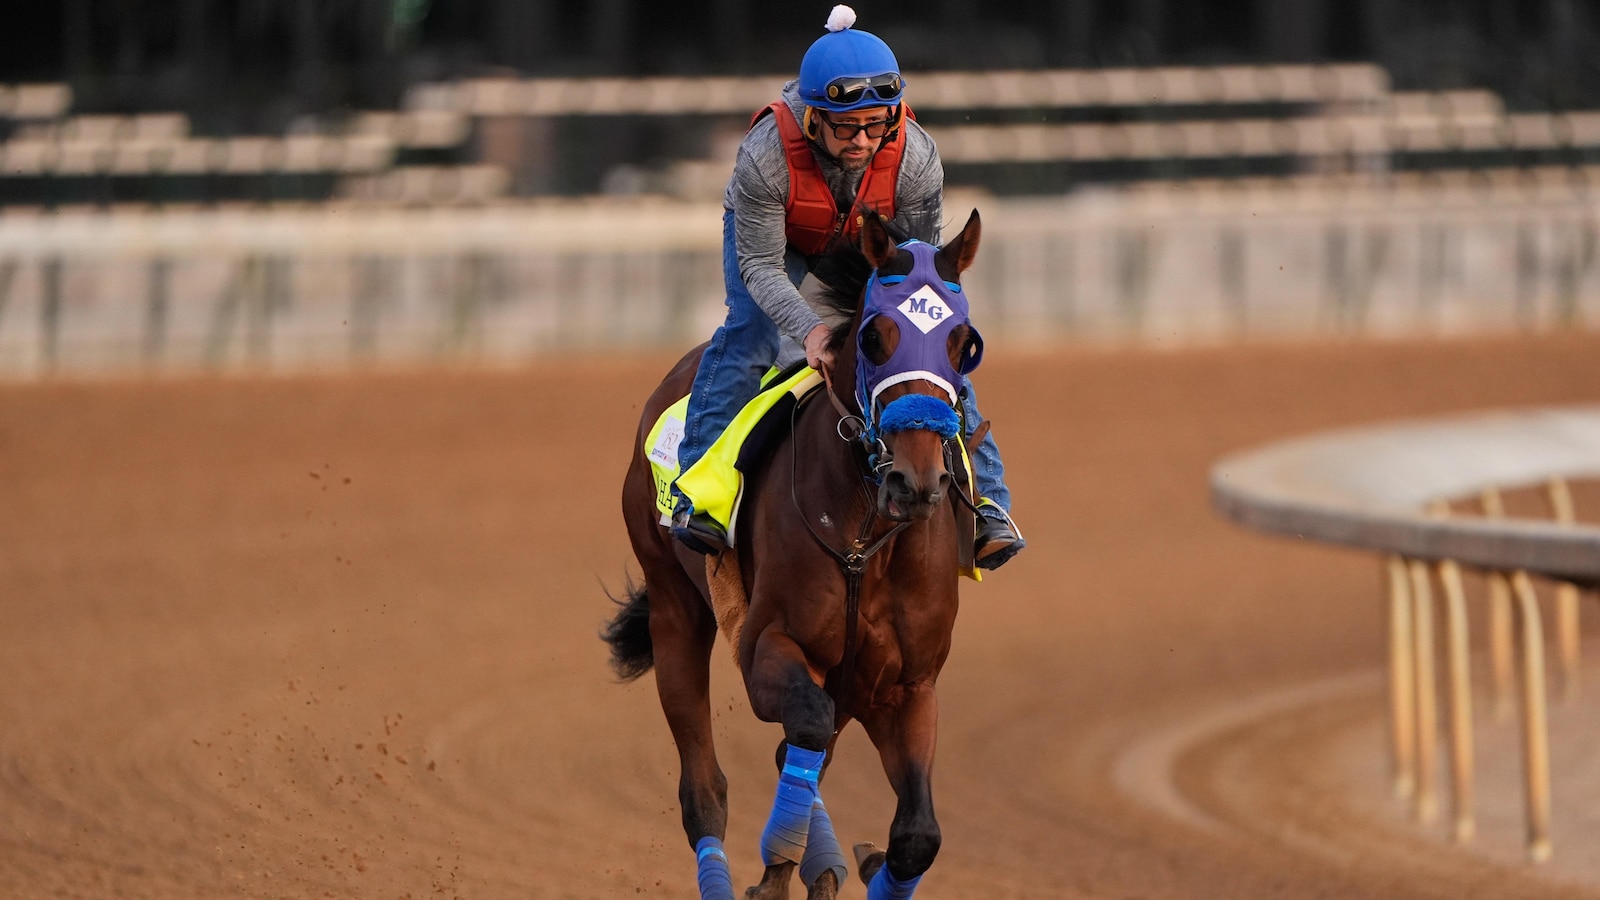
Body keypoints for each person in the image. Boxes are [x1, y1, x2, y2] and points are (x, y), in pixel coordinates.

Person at [670, 4, 1024, 570]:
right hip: (777, 244)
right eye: (846, 126)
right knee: (753, 335)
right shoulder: (764, 158)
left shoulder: (916, 158)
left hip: (867, 241)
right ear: (812, 117)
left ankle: (989, 505)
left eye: (876, 124)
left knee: (931, 344)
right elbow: (760, 266)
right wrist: (810, 330)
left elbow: (920, 276)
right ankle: (697, 496)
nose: (862, 140)